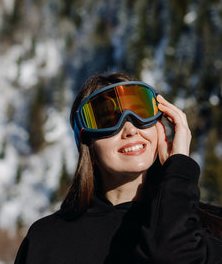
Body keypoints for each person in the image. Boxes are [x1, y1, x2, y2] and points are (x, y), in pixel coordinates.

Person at [14, 71, 222, 263]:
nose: (130, 129)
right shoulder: (47, 241)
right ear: (89, 147)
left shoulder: (211, 229)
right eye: (108, 120)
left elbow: (172, 254)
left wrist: (178, 170)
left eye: (140, 111)